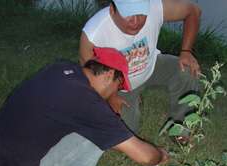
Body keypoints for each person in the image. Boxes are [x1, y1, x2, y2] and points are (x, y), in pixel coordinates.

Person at [0, 47, 169, 166]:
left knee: (89, 127)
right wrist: (159, 155)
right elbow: (145, 157)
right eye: (118, 86)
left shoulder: (61, 69)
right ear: (108, 76)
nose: (116, 92)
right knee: (98, 137)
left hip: (2, 153)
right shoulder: (86, 103)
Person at [80, 0, 202, 143]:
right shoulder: (94, 33)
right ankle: (132, 100)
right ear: (112, 9)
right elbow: (89, 79)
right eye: (129, 14)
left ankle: (181, 128)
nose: (136, 21)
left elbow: (193, 11)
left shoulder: (155, 7)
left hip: (151, 66)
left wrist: (186, 51)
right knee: (125, 134)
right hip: (119, 86)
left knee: (187, 70)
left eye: (141, 13)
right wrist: (110, 96)